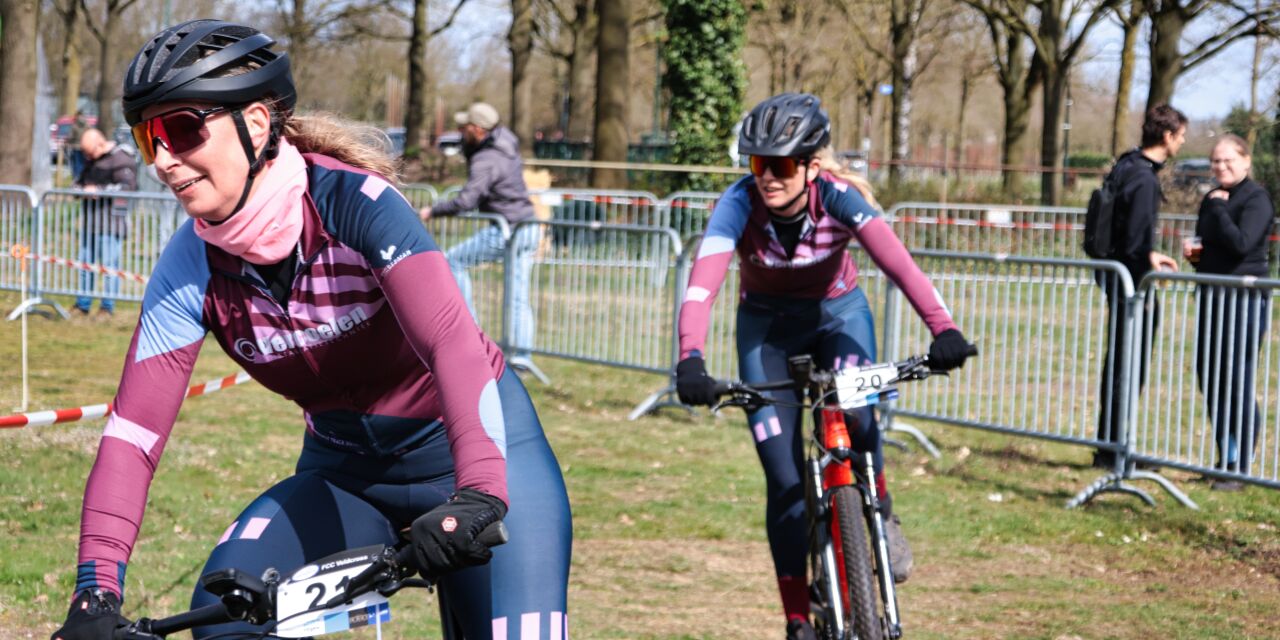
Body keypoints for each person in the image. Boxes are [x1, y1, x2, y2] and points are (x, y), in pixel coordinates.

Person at [51, 20, 571, 640]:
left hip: (481, 457)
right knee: (228, 622)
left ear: (257, 125)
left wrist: (481, 494)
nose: (163, 160)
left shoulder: (357, 205)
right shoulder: (190, 262)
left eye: (182, 129)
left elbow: (451, 345)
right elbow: (134, 434)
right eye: (146, 137)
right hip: (345, 474)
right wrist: (95, 590)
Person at [673, 93, 975, 640]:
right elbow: (702, 285)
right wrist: (689, 358)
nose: (766, 177)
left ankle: (878, 503)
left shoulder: (839, 199)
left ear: (811, 166)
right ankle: (795, 618)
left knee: (857, 411)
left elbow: (900, 265)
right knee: (784, 481)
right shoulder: (737, 205)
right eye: (757, 163)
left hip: (838, 316)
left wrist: (943, 329)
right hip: (766, 330)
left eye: (781, 165)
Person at [1092, 104, 1186, 470]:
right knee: (1128, 364)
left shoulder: (1126, 164)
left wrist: (1147, 252)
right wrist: (1148, 257)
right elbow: (1134, 240)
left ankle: (1109, 444)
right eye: (1180, 137)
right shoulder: (1144, 178)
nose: (1181, 143)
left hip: (1117, 275)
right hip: (1131, 284)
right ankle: (1116, 449)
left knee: (1118, 360)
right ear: (1167, 136)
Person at [1182, 134, 1274, 491]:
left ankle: (1241, 466)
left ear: (1246, 160)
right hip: (1211, 295)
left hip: (1244, 300)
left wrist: (1220, 209)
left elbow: (1241, 243)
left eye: (1228, 160)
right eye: (1215, 161)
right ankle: (1224, 458)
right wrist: (1196, 255)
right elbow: (1211, 242)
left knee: (1236, 379)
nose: (1221, 167)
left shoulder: (1256, 199)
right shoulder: (1211, 199)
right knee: (1210, 376)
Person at [418, 103, 540, 365]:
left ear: (477, 129)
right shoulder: (506, 142)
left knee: (452, 261)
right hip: (527, 224)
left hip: (506, 229)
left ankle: (470, 336)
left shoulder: (486, 159)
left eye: (464, 128)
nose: (461, 133)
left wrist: (433, 211)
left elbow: (466, 201)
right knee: (518, 294)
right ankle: (521, 356)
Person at [73, 127, 138, 317]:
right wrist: (80, 189)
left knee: (109, 268)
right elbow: (78, 182)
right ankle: (82, 305)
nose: (87, 156)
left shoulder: (121, 158)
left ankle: (106, 308)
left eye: (89, 151)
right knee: (85, 266)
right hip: (90, 224)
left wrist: (99, 190)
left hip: (112, 225)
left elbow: (128, 187)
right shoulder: (91, 161)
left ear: (100, 144)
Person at [68, 110, 91, 181]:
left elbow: (70, 136)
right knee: (84, 163)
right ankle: (84, 177)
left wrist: (68, 141)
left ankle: (77, 178)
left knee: (76, 164)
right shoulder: (87, 125)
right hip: (85, 147)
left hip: (76, 147)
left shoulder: (74, 125)